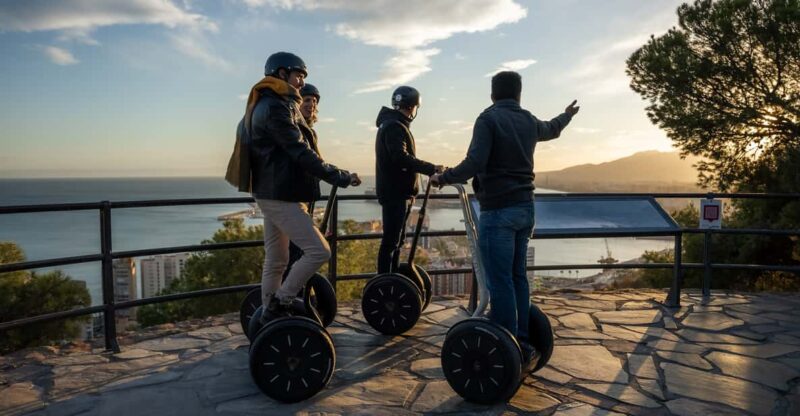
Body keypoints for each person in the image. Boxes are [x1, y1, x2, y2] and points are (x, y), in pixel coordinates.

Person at [431, 71, 579, 353]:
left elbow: (474, 162)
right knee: (517, 277)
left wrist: (443, 178)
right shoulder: (527, 119)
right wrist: (567, 114)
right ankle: (521, 338)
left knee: (499, 280)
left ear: (492, 94)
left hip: (498, 210)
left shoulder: (487, 119)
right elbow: (552, 129)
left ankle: (506, 344)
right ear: (519, 94)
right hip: (526, 208)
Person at [245, 52, 361, 321]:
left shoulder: (265, 103)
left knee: (276, 259)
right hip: (283, 195)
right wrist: (340, 176)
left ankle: (267, 315)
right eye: (299, 75)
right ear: (282, 74)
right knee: (319, 251)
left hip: (270, 192)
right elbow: (300, 152)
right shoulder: (277, 106)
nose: (301, 82)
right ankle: (281, 302)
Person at [374, 86, 442, 274]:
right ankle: (385, 283)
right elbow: (400, 157)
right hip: (396, 193)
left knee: (396, 240)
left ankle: (392, 278)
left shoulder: (392, 124)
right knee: (391, 242)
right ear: (413, 107)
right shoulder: (395, 126)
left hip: (396, 192)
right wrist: (430, 169)